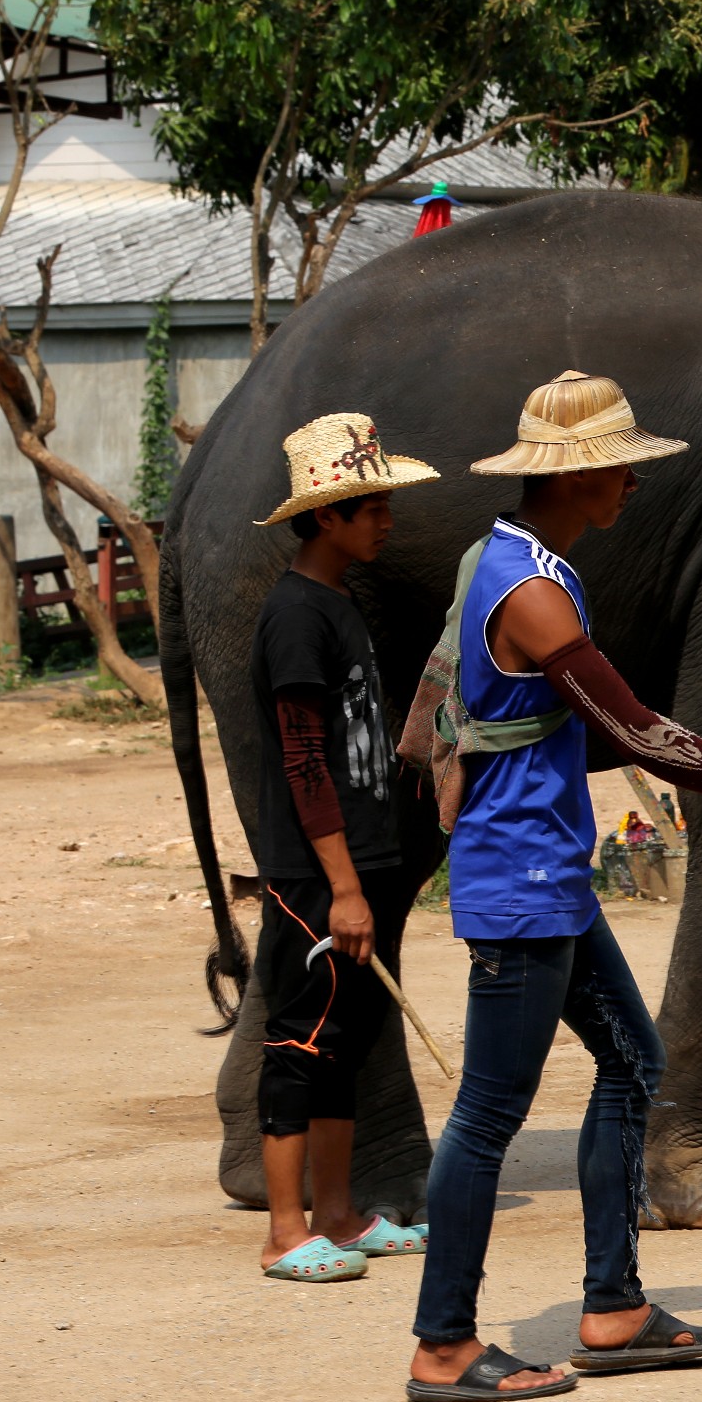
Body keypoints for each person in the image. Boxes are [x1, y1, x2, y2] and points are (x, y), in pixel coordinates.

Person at [406, 371, 702, 1402]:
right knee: (487, 1112)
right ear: (582, 475)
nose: (633, 487)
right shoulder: (529, 589)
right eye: (623, 469)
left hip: (545, 870)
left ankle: (611, 1306)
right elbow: (633, 729)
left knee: (632, 1062)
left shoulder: (511, 556)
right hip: (522, 878)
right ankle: (442, 1345)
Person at [248, 413, 442, 1282]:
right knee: (299, 1039)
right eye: (371, 507)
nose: (387, 522)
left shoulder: (339, 605)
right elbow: (301, 759)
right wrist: (342, 887)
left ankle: (339, 1213)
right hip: (313, 872)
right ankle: (286, 1231)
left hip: (357, 863)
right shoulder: (295, 615)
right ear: (326, 516)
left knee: (348, 1036)